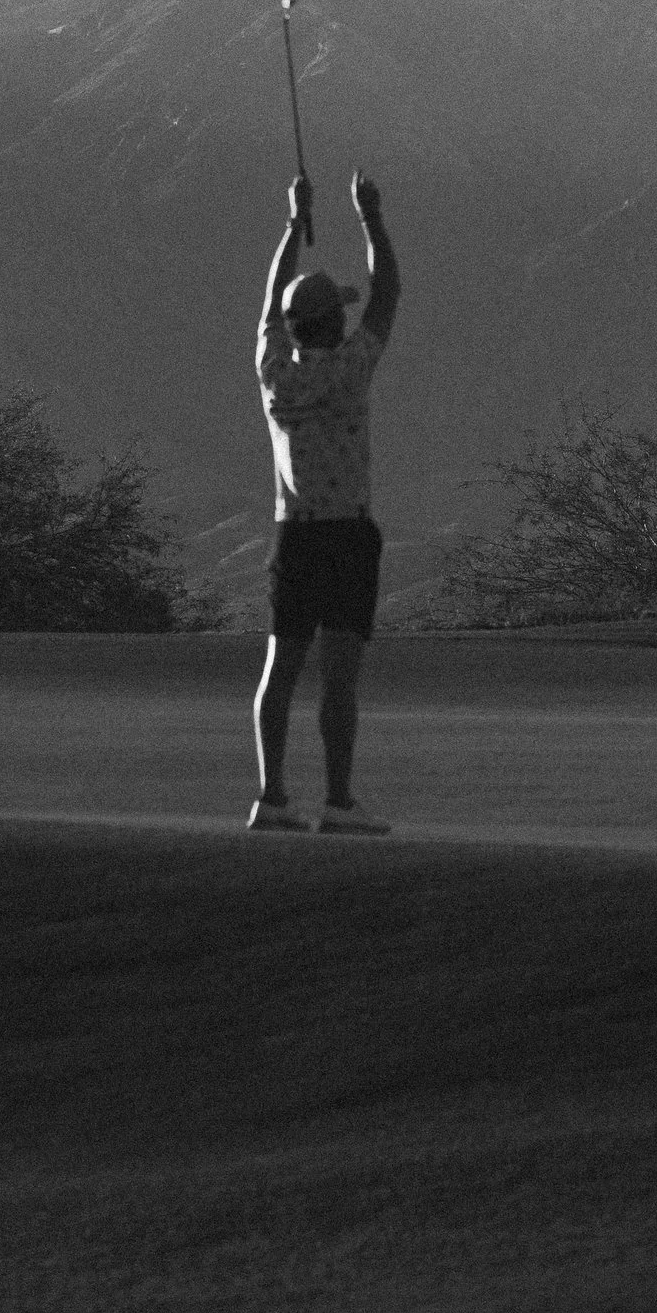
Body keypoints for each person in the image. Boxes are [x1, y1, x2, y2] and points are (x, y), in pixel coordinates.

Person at [249, 168, 402, 834]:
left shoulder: (274, 372)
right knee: (339, 674)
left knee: (282, 664)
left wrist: (292, 224)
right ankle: (339, 800)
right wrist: (369, 216)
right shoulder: (350, 367)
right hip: (346, 534)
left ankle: (271, 796)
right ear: (331, 323)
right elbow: (388, 293)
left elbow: (266, 311)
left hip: (295, 532)